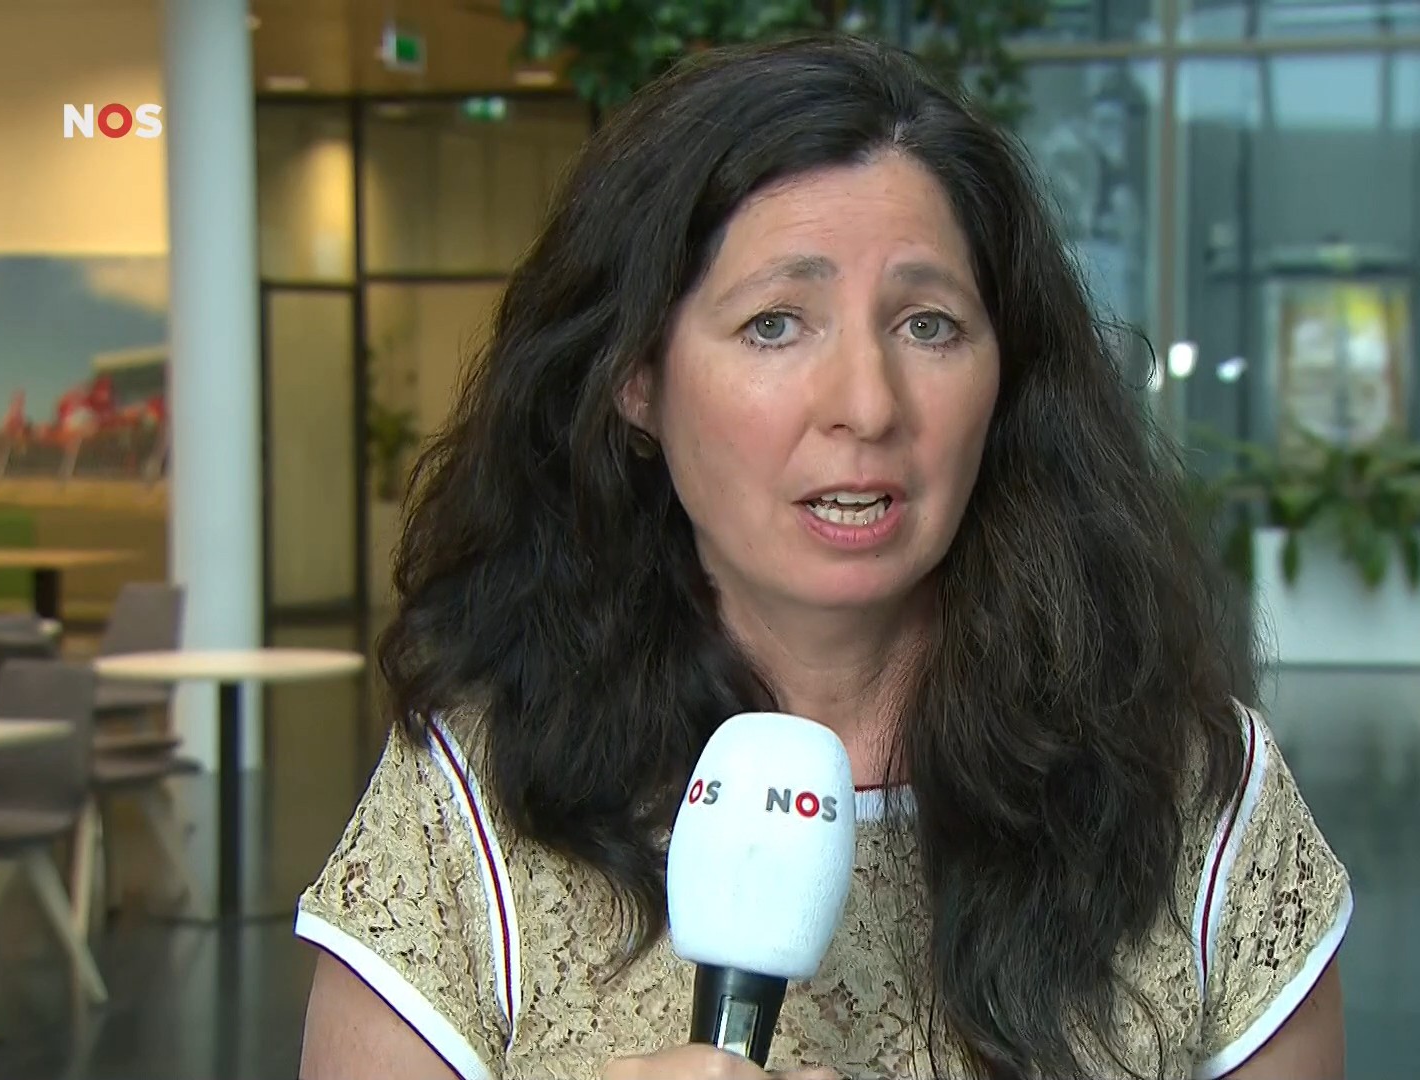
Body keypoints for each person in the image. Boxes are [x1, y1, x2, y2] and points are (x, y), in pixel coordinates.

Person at [296, 33, 1351, 1080]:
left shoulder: (1195, 793)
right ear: (635, 378)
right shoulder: (476, 797)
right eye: (774, 324)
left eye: (928, 325)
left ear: (1007, 379)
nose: (866, 405)